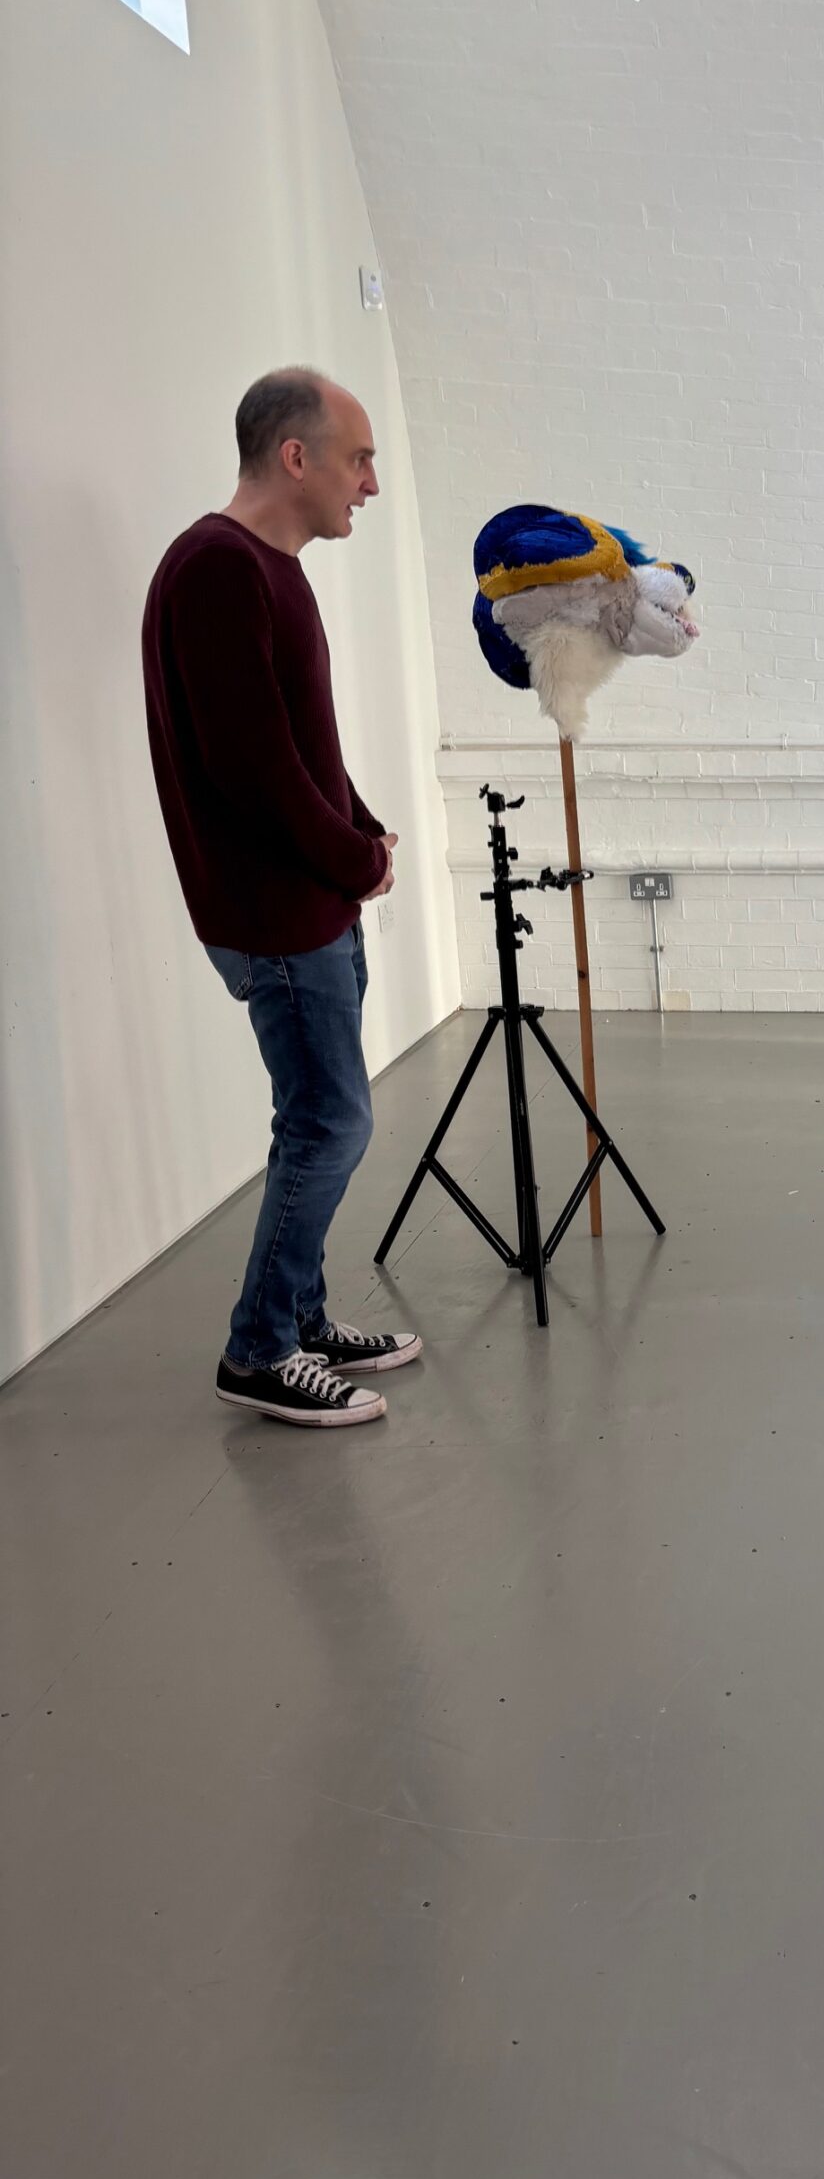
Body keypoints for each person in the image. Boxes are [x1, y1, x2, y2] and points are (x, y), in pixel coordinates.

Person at [143, 369, 422, 1424]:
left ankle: (298, 1316)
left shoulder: (271, 569)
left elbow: (307, 748)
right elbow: (252, 771)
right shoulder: (217, 568)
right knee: (331, 1128)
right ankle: (258, 1350)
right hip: (274, 912)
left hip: (311, 901)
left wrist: (360, 832)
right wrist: (352, 861)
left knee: (312, 1118)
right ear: (294, 456)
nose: (372, 484)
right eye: (359, 458)